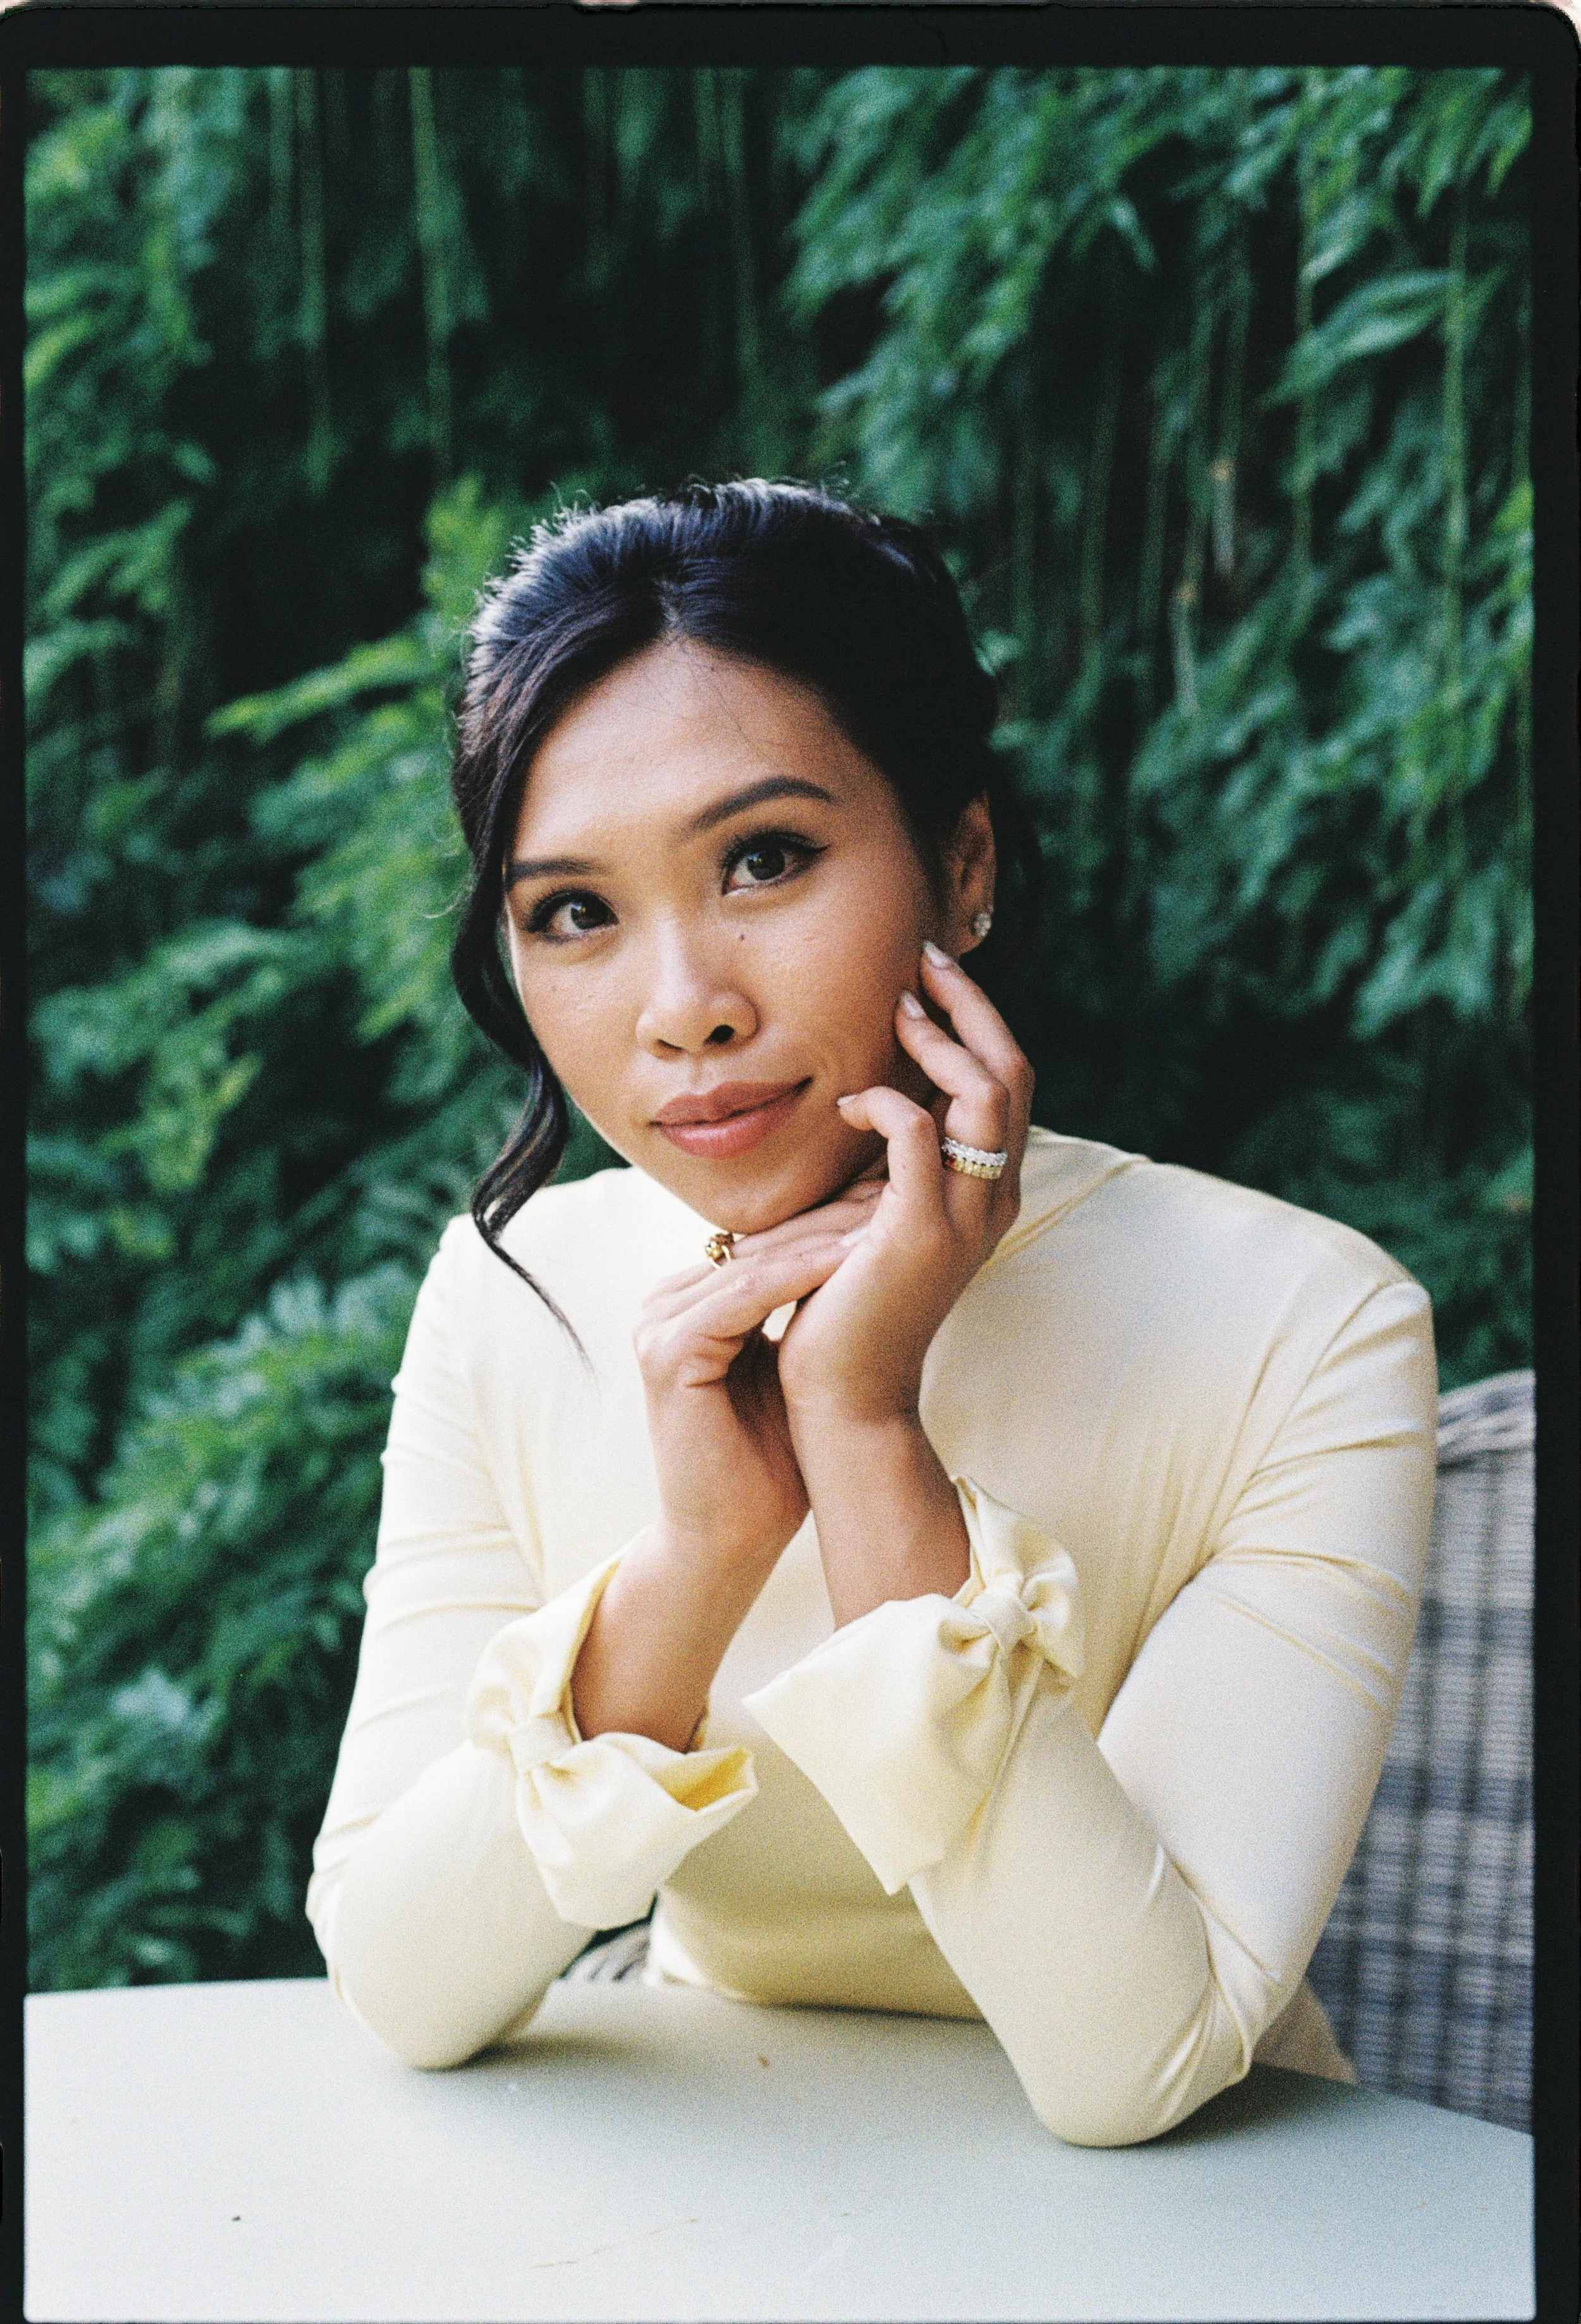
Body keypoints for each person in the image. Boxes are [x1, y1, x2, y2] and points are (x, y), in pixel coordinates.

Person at [307, 480, 1437, 2147]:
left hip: (1198, 2244)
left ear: (958, 860)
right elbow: (401, 1983)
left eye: (762, 859)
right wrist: (694, 1560)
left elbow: (1131, 2067)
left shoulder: (1302, 1323)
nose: (682, 1005)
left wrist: (858, 1425)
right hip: (726, 2197)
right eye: (575, 912)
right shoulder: (516, 1296)